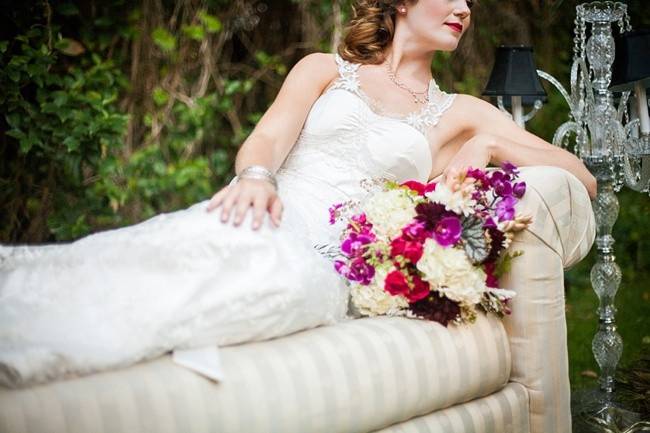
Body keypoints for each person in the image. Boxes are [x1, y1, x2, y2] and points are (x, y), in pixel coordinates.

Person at [0, 0, 596, 388]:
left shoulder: (461, 111)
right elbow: (267, 139)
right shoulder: (321, 69)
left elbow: (580, 177)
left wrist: (492, 148)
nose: (465, 8)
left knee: (280, 282)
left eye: (471, 2)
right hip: (267, 207)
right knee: (181, 252)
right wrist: (257, 179)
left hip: (335, 252)